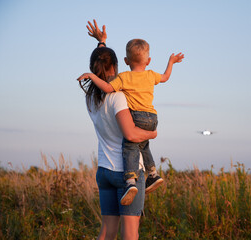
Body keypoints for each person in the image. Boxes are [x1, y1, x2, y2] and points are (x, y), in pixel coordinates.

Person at [78, 24, 184, 206]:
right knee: (141, 143)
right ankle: (146, 175)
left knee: (131, 146)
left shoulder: (103, 92)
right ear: (149, 60)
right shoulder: (147, 77)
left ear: (126, 61)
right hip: (151, 120)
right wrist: (171, 62)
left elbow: (106, 83)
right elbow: (165, 77)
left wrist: (92, 73)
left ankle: (137, 179)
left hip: (106, 166)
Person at [79, 20, 156, 240]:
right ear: (115, 66)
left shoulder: (91, 97)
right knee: (131, 233)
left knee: (107, 231)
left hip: (104, 170)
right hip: (126, 172)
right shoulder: (119, 97)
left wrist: (101, 42)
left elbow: (102, 63)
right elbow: (131, 134)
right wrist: (152, 134)